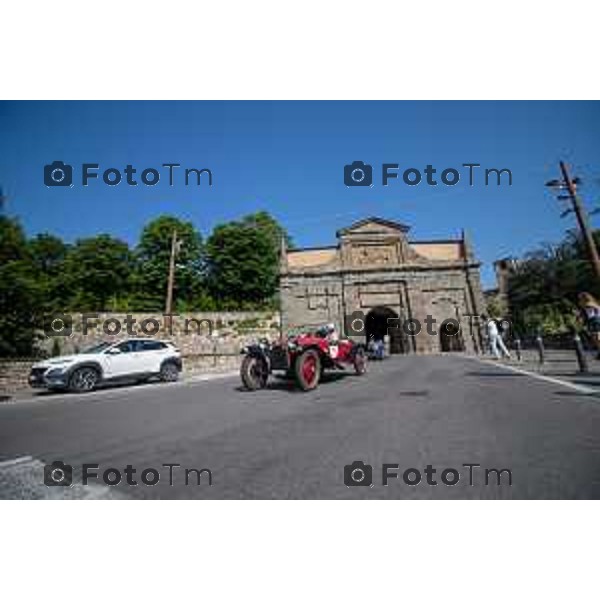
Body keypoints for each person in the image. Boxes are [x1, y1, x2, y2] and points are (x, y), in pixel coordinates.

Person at [578, 292, 600, 358]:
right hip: (595, 321)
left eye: (580, 298)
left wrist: (580, 318)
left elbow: (590, 315)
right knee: (596, 337)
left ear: (584, 298)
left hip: (595, 322)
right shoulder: (593, 304)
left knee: (597, 337)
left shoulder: (588, 305)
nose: (579, 300)